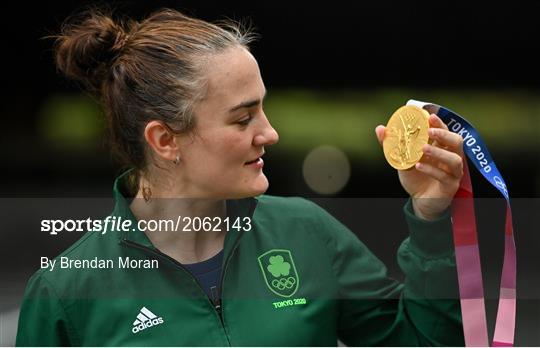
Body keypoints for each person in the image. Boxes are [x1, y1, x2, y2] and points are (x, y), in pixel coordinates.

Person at [16, 7, 466, 346]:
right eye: (242, 119)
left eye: (262, 109)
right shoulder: (65, 294)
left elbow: (424, 340)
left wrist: (430, 218)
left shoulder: (306, 233)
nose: (269, 133)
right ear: (165, 140)